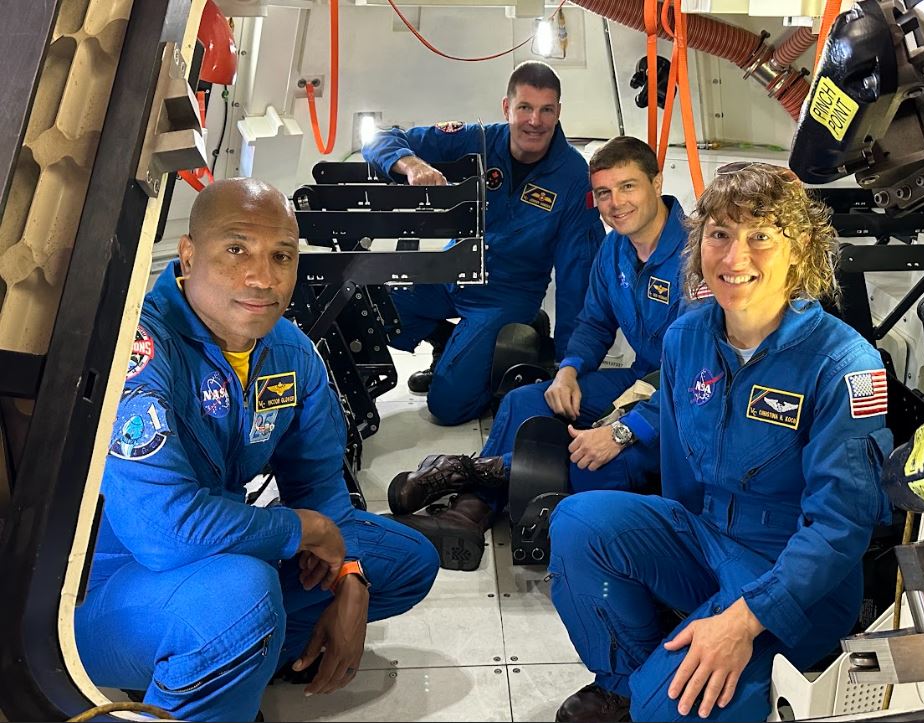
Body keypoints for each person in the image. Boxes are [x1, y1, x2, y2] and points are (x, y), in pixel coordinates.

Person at [74, 179, 440, 723]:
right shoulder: (143, 352)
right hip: (100, 588)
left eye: (281, 256)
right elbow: (163, 533)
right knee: (242, 597)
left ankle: (231, 666)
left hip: (212, 551)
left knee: (406, 561)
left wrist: (350, 577)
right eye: (236, 249)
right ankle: (217, 657)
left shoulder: (290, 353)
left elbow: (321, 492)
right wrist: (304, 531)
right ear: (189, 254)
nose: (263, 277)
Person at [548, 163, 893, 722]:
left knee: (670, 710)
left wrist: (743, 618)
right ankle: (629, 686)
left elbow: (841, 526)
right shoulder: (688, 335)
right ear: (700, 242)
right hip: (708, 535)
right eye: (720, 234)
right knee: (579, 522)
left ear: (799, 248)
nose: (735, 257)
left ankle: (662, 693)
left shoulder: (845, 364)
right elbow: (678, 455)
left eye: (761, 236)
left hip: (798, 579)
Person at [385, 136, 688, 571]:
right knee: (524, 400)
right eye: (603, 192)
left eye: (627, 187)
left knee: (591, 464)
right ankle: (468, 513)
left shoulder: (698, 256)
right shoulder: (614, 249)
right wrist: (567, 371)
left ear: (656, 182)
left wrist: (623, 430)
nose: (615, 203)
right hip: (641, 381)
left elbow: (702, 377)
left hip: (685, 404)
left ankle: (465, 471)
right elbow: (595, 323)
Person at [362, 60, 605, 425]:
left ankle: (512, 350)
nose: (534, 121)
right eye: (524, 107)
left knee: (446, 406)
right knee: (370, 314)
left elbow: (577, 274)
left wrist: (565, 364)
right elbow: (380, 138)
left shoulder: (573, 177)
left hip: (506, 296)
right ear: (507, 107)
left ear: (558, 113)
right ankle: (449, 343)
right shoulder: (474, 140)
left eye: (546, 110)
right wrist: (411, 164)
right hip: (450, 272)